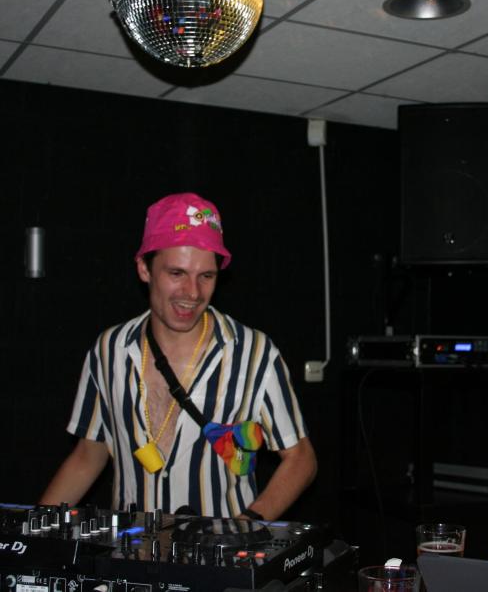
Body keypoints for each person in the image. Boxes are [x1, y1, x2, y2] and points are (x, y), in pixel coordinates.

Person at [40, 192, 317, 520]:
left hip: (221, 550)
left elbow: (301, 459)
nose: (193, 292)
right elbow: (89, 454)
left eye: (206, 276)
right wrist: (33, 529)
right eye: (177, 273)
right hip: (133, 548)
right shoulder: (108, 350)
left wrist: (246, 526)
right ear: (144, 269)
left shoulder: (255, 353)